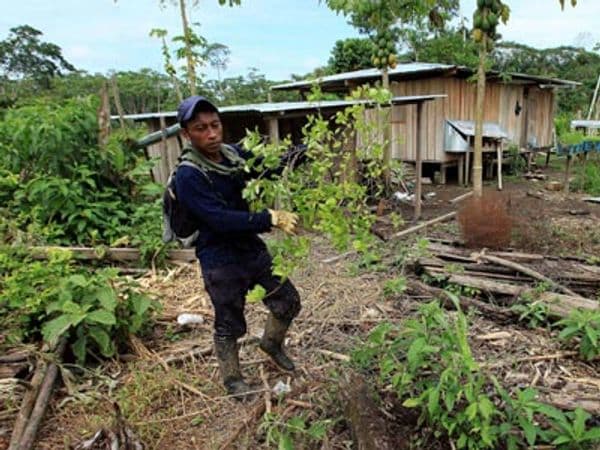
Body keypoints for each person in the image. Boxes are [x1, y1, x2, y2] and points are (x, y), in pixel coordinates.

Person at [175, 95, 302, 399]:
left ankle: (271, 344)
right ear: (186, 134)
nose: (211, 134)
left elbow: (268, 167)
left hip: (249, 247)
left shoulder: (233, 155)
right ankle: (233, 379)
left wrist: (301, 153)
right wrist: (268, 218)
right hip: (219, 257)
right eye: (201, 128)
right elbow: (218, 220)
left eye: (215, 125)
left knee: (288, 300)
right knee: (229, 322)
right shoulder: (188, 175)